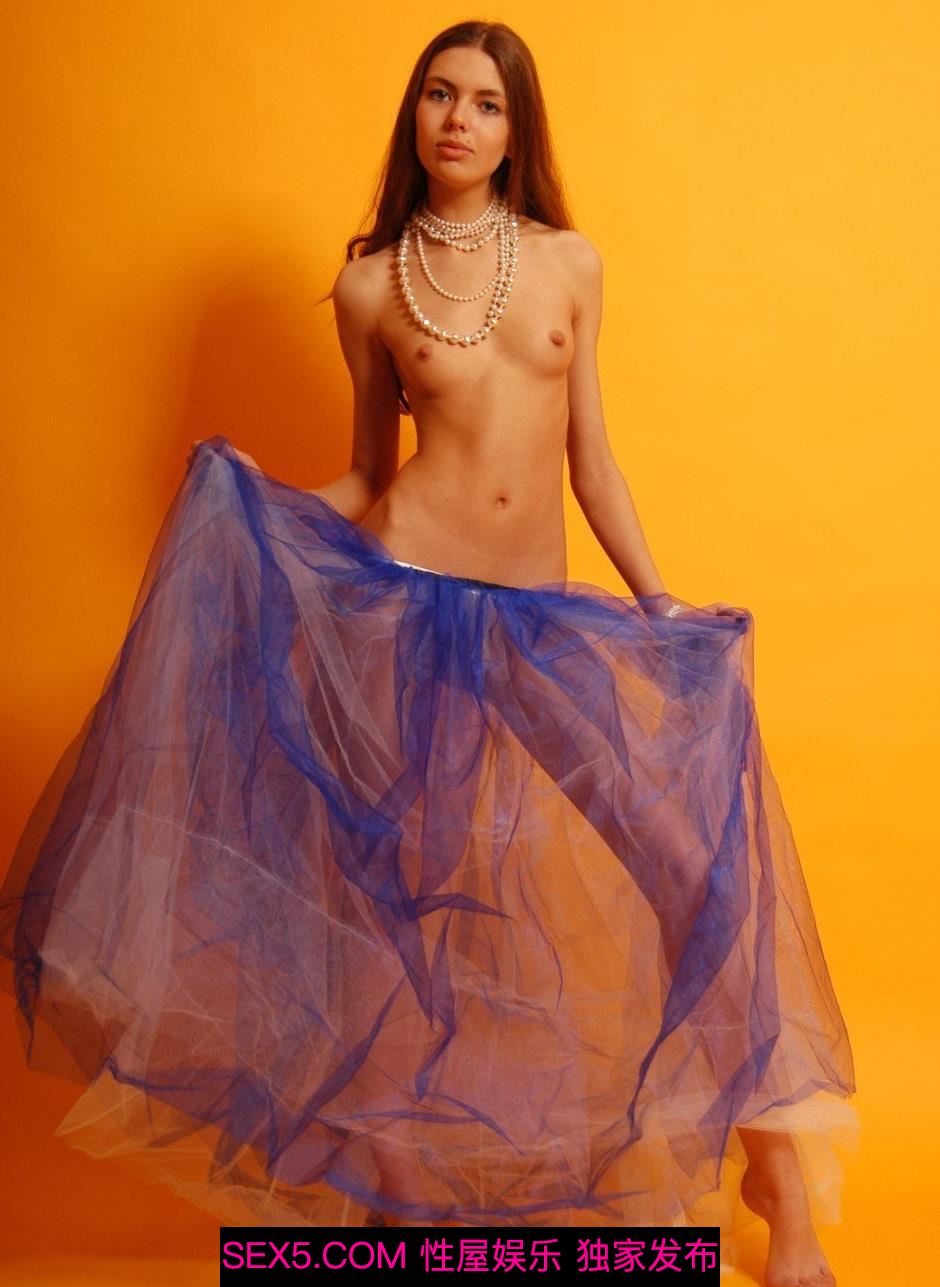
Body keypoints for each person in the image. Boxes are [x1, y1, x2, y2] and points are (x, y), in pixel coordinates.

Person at [0, 19, 856, 1287]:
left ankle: (779, 1184)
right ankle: (401, 1212)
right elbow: (366, 472)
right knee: (402, 919)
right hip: (403, 613)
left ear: (517, 130)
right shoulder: (370, 288)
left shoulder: (567, 263)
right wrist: (246, 511)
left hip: (537, 620)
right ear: (414, 115)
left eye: (486, 103)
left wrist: (656, 600)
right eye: (439, 95)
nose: (459, 120)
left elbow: (592, 459)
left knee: (696, 878)